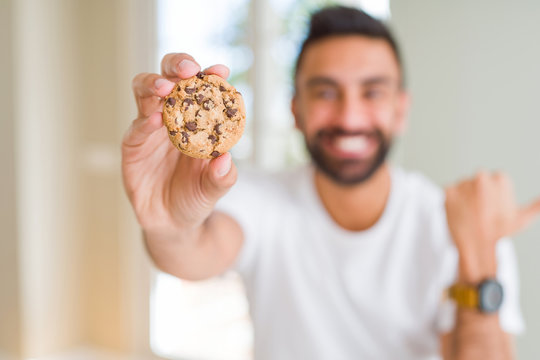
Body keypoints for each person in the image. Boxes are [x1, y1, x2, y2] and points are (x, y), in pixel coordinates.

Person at [122, 6, 540, 360]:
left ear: (400, 111)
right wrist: (168, 226)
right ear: (296, 110)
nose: (349, 118)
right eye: (325, 93)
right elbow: (195, 252)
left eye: (372, 93)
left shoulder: (465, 223)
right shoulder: (259, 199)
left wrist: (479, 257)